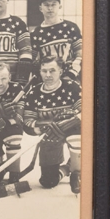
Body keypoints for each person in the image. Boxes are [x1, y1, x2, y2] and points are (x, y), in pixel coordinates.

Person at [23, 56, 81, 193]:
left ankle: (76, 173)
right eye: (44, 71)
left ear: (60, 71)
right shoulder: (33, 92)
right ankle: (67, 168)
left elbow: (85, 111)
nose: (48, 75)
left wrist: (66, 124)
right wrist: (43, 127)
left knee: (77, 135)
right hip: (50, 134)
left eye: (52, 70)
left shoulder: (72, 86)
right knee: (48, 182)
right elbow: (27, 121)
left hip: (72, 129)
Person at [31, 0, 82, 82]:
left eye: (53, 5)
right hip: (48, 79)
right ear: (40, 8)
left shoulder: (71, 27)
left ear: (60, 6)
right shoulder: (36, 33)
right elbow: (35, 63)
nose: (50, 8)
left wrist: (72, 74)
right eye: (46, 5)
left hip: (71, 77)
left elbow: (80, 54)